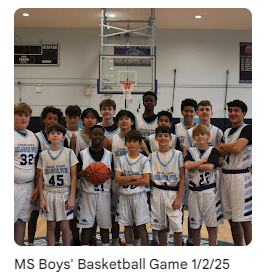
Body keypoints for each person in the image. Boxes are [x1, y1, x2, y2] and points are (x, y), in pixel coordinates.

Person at [216, 100, 252, 246]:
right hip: (225, 176)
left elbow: (237, 148)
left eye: (236, 110)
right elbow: (220, 151)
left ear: (243, 113)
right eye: (230, 110)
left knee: (244, 219)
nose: (232, 113)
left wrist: (224, 145)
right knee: (231, 219)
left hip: (240, 177)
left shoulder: (247, 129)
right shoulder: (226, 132)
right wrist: (227, 147)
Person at [29, 105, 65, 246]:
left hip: (55, 183)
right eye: (49, 118)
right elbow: (36, 161)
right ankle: (30, 242)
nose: (52, 121)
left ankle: (56, 242)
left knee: (55, 216)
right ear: (43, 119)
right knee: (34, 213)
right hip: (39, 179)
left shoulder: (62, 137)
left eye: (55, 119)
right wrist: (38, 187)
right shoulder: (36, 137)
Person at [37, 123, 78, 246]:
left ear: (64, 137)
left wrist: (71, 197)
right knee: (51, 226)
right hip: (48, 193)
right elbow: (39, 178)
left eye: (58, 133)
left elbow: (74, 176)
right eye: (52, 133)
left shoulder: (69, 153)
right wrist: (42, 199)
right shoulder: (43, 155)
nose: (55, 135)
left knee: (65, 226)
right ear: (48, 137)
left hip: (64, 193)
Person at [145, 110, 182, 246]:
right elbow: (148, 179)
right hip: (157, 192)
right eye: (160, 136)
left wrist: (179, 197)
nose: (163, 138)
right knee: (161, 226)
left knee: (177, 227)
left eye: (166, 136)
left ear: (171, 137)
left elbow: (183, 177)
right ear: (155, 138)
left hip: (173, 193)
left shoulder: (178, 155)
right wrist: (149, 197)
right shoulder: (151, 156)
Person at [184, 124, 223, 246]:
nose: (200, 136)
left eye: (202, 134)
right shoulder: (191, 151)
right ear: (194, 138)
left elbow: (210, 167)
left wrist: (194, 164)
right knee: (195, 225)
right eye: (197, 135)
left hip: (209, 192)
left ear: (208, 136)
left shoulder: (213, 150)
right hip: (193, 192)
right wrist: (201, 162)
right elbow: (186, 165)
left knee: (212, 225)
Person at [76, 125, 113, 246]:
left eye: (100, 135)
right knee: (86, 225)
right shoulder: (82, 154)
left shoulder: (109, 155)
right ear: (90, 136)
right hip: (87, 194)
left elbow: (114, 174)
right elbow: (75, 174)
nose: (97, 137)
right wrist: (80, 173)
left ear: (104, 137)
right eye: (95, 134)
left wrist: (111, 174)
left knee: (105, 225)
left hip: (104, 195)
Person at [114, 130, 151, 246]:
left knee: (141, 226)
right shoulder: (121, 160)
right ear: (125, 144)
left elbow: (146, 180)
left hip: (139, 196)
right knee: (127, 226)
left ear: (140, 143)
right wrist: (135, 177)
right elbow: (117, 179)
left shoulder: (144, 159)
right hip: (124, 196)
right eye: (129, 141)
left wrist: (126, 179)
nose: (131, 144)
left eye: (134, 141)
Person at [70, 107, 100, 245]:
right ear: (82, 120)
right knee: (75, 213)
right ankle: (76, 239)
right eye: (87, 117)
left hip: (95, 180)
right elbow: (71, 159)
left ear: (97, 120)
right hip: (79, 178)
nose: (90, 119)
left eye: (93, 117)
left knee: (93, 213)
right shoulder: (75, 137)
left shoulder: (100, 136)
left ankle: (92, 237)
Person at [14, 102, 39, 246]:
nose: (24, 118)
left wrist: (36, 186)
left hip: (29, 186)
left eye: (27, 115)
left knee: (22, 219)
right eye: (19, 115)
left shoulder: (33, 137)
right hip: (13, 185)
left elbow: (35, 164)